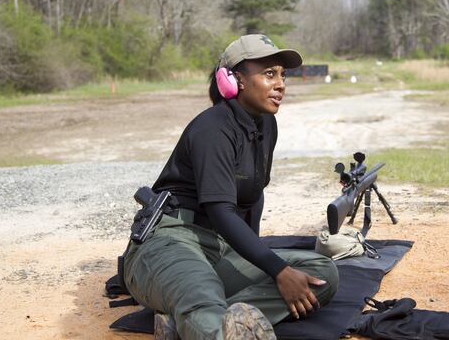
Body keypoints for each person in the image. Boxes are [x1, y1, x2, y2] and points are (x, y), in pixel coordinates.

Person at [123, 34, 339, 340]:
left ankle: (190, 323)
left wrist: (261, 262)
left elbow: (254, 196)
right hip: (171, 242)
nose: (281, 84)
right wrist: (276, 271)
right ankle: (209, 323)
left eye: (282, 75)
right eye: (268, 74)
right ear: (233, 80)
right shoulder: (213, 128)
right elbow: (221, 211)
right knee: (203, 291)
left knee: (320, 274)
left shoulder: (266, 123)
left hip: (220, 245)